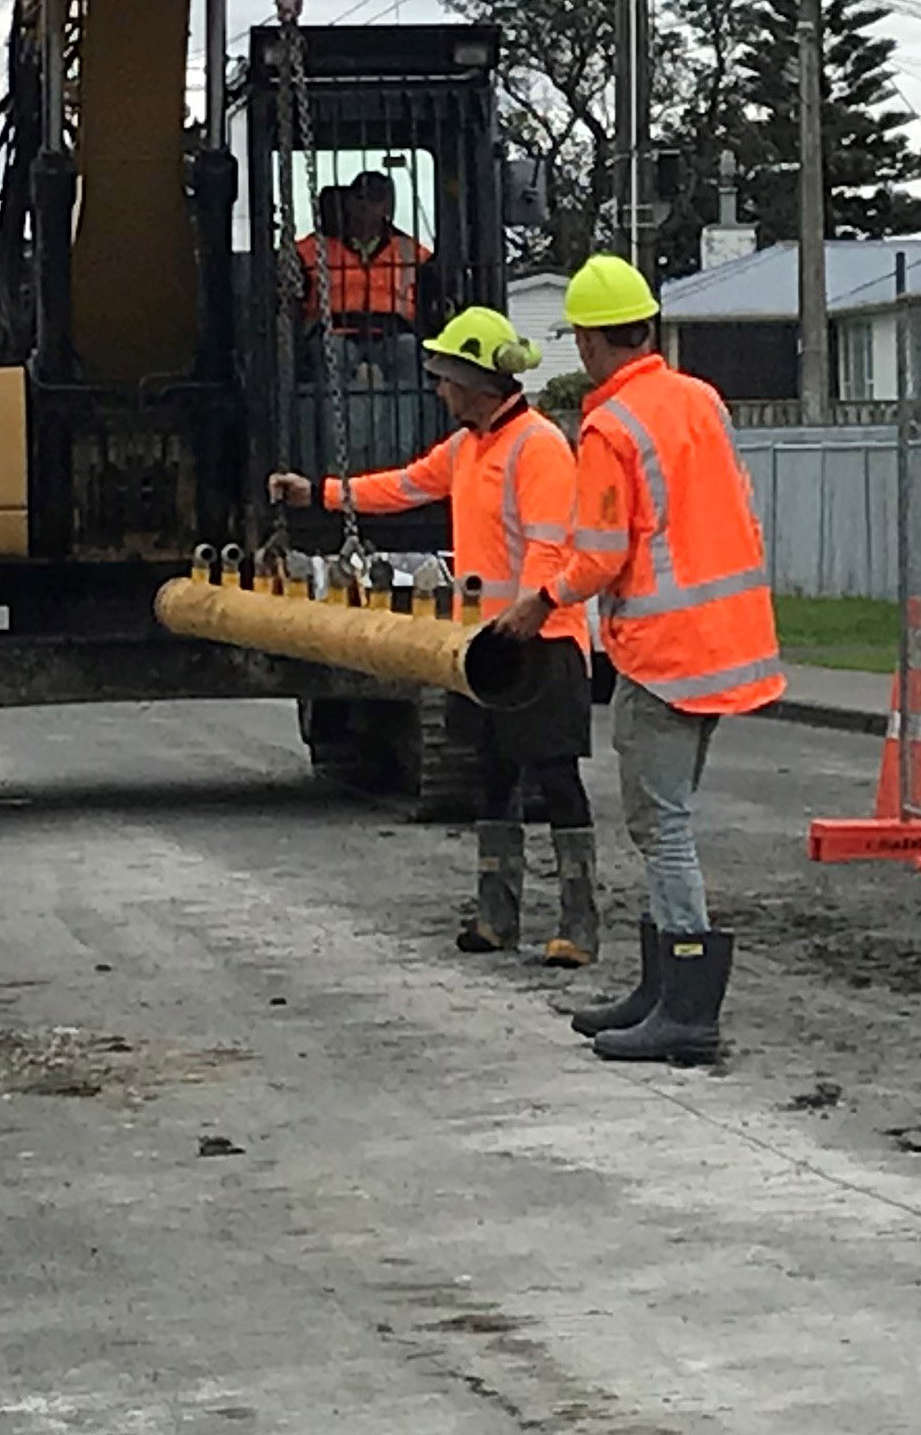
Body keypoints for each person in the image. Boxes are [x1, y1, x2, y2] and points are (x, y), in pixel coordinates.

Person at [488, 254, 782, 1065]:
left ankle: (685, 1007)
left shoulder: (611, 428)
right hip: (729, 643)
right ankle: (659, 991)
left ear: (587, 341)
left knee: (663, 828)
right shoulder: (698, 400)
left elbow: (599, 556)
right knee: (669, 820)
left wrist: (538, 604)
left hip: (665, 652)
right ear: (647, 326)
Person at [270, 305, 600, 964]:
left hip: (543, 645)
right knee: (494, 776)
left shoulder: (536, 446)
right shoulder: (469, 448)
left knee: (557, 781)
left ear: (477, 381)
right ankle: (496, 918)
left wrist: (528, 617)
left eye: (446, 378)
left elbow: (548, 543)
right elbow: (404, 486)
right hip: (485, 648)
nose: (438, 389)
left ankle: (579, 925)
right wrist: (322, 495)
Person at [295, 167, 430, 333]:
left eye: (375, 199)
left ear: (387, 207)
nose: (366, 205)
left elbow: (436, 290)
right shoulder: (310, 250)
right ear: (348, 203)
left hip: (394, 334)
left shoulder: (413, 252)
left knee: (408, 349)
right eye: (360, 198)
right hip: (333, 333)